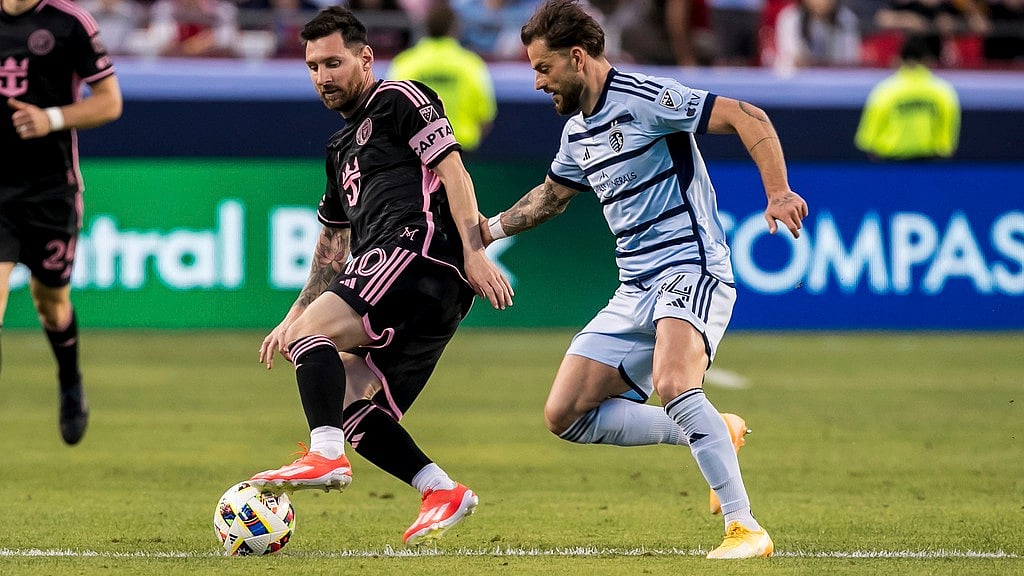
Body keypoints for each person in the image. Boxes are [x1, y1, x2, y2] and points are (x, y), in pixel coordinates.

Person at [479, 0, 808, 559]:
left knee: (675, 382)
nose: (536, 82)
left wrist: (777, 192)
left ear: (577, 58)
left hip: (690, 266)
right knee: (566, 415)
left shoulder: (646, 98)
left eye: (542, 68)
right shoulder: (578, 133)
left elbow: (747, 115)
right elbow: (551, 198)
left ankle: (744, 527)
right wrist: (484, 231)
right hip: (634, 286)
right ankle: (709, 429)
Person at [249, 6, 514, 547]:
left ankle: (324, 457)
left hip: (414, 253)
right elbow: (332, 245)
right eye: (313, 67)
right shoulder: (338, 149)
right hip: (415, 289)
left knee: (312, 348)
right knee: (349, 401)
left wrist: (473, 249)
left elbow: (452, 169)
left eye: (333, 62)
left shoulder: (398, 99)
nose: (323, 77)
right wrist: (295, 312)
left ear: (365, 58)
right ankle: (439, 488)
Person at [1, 0, 123, 445]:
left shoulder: (70, 23)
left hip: (51, 193)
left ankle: (70, 380)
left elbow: (110, 103)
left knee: (50, 303)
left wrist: (49, 118)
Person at [387, 1, 497, 153]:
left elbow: (391, 113)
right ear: (454, 28)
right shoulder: (471, 64)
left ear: (424, 27)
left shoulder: (405, 62)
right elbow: (485, 117)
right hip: (461, 149)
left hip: (415, 152)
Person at [855, 34, 960, 160]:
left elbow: (869, 138)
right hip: (930, 164)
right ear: (928, 60)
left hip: (891, 163)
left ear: (898, 59)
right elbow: (948, 137)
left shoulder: (885, 90)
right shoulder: (942, 90)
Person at [772, 0, 861, 72]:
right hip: (798, 81)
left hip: (836, 80)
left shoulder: (847, 19)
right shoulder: (790, 18)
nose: (821, 2)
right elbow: (791, 60)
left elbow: (849, 61)